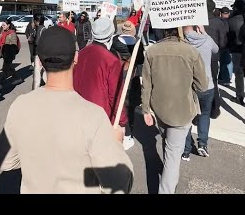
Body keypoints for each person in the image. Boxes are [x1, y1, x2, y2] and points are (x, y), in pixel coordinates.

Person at [0, 26, 133, 194]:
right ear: (76, 58)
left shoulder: (19, 105)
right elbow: (119, 184)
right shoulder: (93, 115)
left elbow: (6, 162)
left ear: (39, 60)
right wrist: (116, 144)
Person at [141, 27, 207, 194]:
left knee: (168, 144)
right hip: (183, 109)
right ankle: (167, 188)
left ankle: (167, 176)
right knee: (172, 155)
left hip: (159, 107)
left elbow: (146, 85)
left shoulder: (151, 51)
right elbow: (202, 85)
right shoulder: (191, 51)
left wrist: (146, 109)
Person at [73, 17, 128, 145]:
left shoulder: (81, 53)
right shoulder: (111, 60)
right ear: (110, 36)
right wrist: (121, 120)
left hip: (78, 111)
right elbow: (116, 94)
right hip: (100, 115)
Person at [181, 25, 218, 160]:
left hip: (189, 85)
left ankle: (186, 150)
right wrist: (205, 33)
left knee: (187, 117)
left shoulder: (182, 43)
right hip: (207, 84)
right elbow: (216, 49)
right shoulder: (206, 40)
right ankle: (202, 143)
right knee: (205, 114)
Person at [110, 21, 144, 150]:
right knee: (130, 105)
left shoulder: (114, 40)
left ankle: (119, 127)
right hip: (132, 75)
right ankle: (129, 134)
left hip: (117, 73)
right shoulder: (137, 43)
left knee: (117, 100)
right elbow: (141, 60)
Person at [204, 0, 228, 118]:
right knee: (213, 81)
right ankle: (215, 109)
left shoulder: (197, 21)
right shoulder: (219, 23)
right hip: (213, 56)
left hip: (198, 56)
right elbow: (223, 42)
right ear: (214, 10)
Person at [227, 0, 245, 105]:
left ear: (236, 8)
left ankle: (239, 95)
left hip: (237, 50)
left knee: (239, 74)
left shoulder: (231, 21)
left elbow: (228, 36)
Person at [0, 19, 22, 84]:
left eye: (4, 25)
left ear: (8, 25)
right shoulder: (4, 32)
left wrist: (10, 55)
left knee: (5, 68)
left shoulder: (12, 33)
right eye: (2, 25)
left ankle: (0, 84)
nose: (2, 26)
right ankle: (17, 78)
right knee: (9, 67)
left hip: (9, 54)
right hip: (5, 53)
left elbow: (14, 46)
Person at [217, 6, 233, 84]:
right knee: (229, 62)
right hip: (230, 44)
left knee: (223, 63)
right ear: (229, 14)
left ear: (221, 14)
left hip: (223, 44)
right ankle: (228, 77)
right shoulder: (231, 21)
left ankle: (225, 78)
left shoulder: (220, 22)